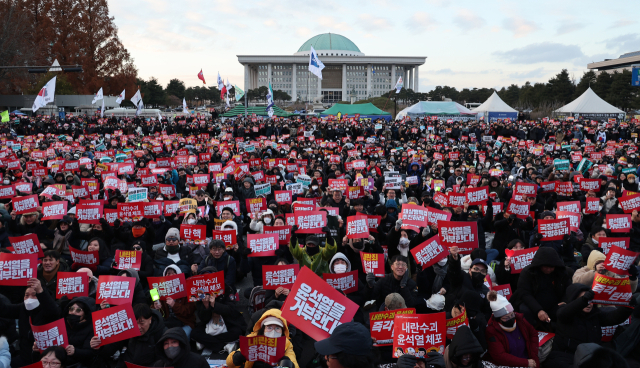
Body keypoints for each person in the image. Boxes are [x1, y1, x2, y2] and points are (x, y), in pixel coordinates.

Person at [92, 303, 166, 368]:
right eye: (135, 323)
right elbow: (112, 348)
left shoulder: (163, 333)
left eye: (142, 323)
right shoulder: (127, 328)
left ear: (150, 319)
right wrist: (100, 347)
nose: (138, 327)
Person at [485, 291, 539, 368]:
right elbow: (500, 356)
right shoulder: (491, 330)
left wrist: (534, 358)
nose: (511, 318)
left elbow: (533, 334)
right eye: (506, 318)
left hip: (528, 359)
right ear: (498, 319)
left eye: (512, 314)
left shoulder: (519, 319)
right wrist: (525, 363)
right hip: (509, 364)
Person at [227, 309, 298, 368]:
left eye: (277, 328)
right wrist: (236, 357)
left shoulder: (286, 344)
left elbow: (294, 363)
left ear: (282, 330)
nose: (273, 331)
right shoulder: (252, 339)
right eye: (269, 327)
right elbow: (229, 364)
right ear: (263, 329)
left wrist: (289, 364)